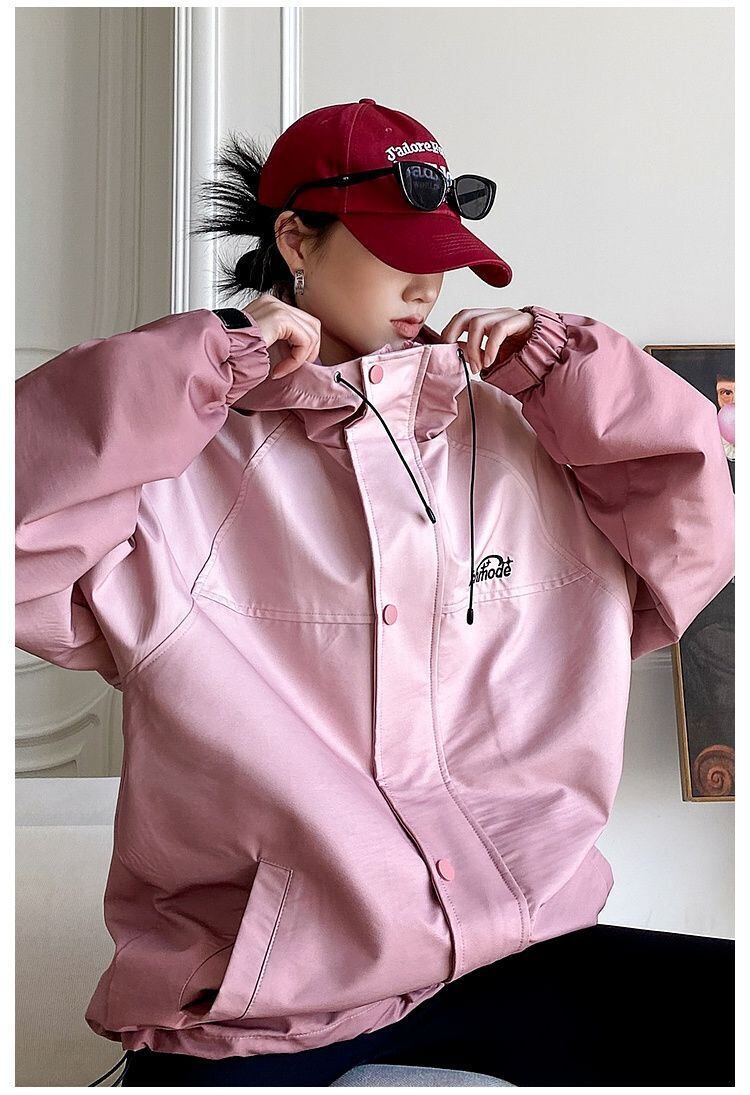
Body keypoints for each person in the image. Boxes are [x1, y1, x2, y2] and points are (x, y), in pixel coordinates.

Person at [16, 99, 735, 1088]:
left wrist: (570, 373)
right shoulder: (177, 469)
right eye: (397, 249)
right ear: (295, 240)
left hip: (516, 949)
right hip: (268, 995)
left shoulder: (517, 431)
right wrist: (201, 356)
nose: (428, 284)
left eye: (443, 256)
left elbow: (692, 545)